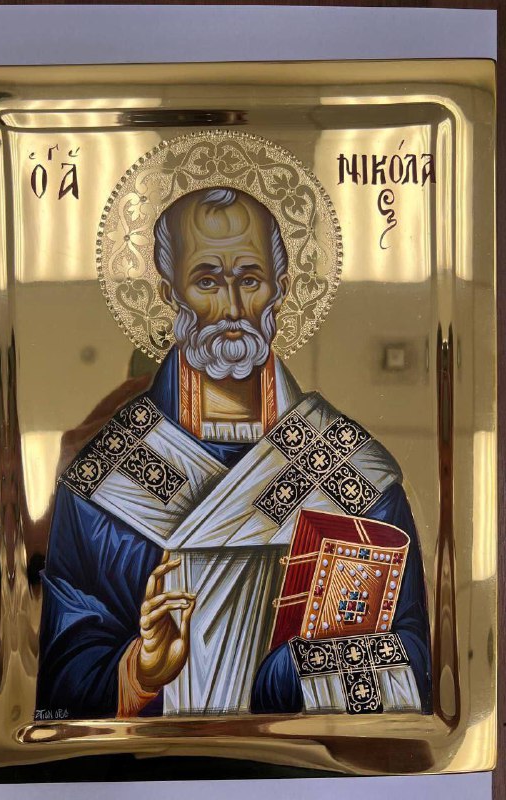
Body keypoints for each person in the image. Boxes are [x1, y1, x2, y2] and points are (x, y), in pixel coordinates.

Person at [35, 187, 432, 720]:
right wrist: (139, 671)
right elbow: (63, 686)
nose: (232, 309)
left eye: (249, 280)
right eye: (206, 281)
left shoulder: (354, 472)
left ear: (280, 290)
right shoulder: (102, 485)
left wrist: (293, 677)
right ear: (169, 292)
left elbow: (416, 667)